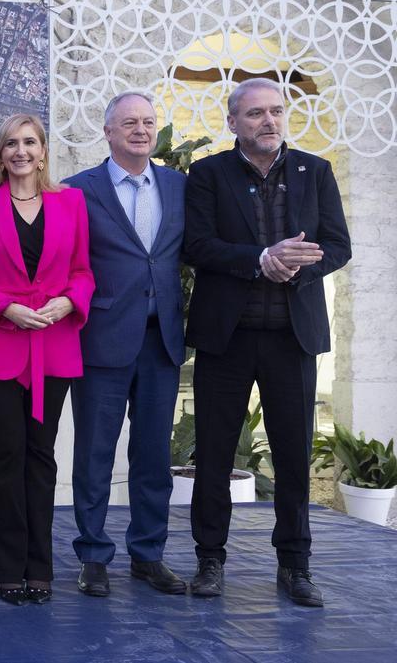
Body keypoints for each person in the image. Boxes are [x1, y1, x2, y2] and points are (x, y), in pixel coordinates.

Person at [185, 78, 350, 607]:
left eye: (276, 112)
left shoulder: (314, 171)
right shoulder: (208, 173)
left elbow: (338, 246)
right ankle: (210, 560)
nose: (269, 121)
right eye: (255, 114)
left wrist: (295, 266)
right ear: (233, 122)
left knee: (294, 455)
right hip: (225, 339)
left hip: (291, 339)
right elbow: (197, 245)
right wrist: (259, 259)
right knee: (212, 454)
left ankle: (295, 567)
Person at [0, 113, 93, 605]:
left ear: (42, 151)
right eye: (10, 143)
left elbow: (82, 271)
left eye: (29, 142)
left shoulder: (70, 202)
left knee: (43, 456)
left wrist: (70, 301)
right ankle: (7, 565)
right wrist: (5, 307)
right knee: (7, 454)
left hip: (53, 345)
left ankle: (41, 567)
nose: (20, 151)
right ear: (0, 154)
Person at [64, 92, 188, 598]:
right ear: (108, 132)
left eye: (148, 122)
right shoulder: (76, 191)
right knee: (94, 453)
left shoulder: (181, 187)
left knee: (154, 455)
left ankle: (148, 554)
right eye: (129, 123)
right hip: (102, 340)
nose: (140, 130)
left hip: (162, 343)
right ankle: (93, 556)